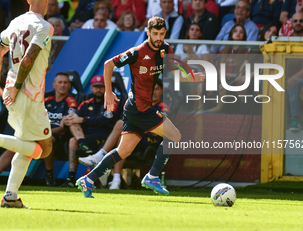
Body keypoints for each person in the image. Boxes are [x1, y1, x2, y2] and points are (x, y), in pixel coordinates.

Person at [74, 16, 205, 198]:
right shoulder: (137, 52)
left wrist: (191, 77)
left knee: (123, 151)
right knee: (175, 136)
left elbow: (174, 73)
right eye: (155, 34)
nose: (159, 37)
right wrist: (108, 92)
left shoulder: (166, 49)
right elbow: (108, 64)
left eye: (162, 33)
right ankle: (152, 176)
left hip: (134, 109)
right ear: (148, 33)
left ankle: (88, 179)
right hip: (140, 108)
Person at [0, 0, 53, 208]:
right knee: (44, 149)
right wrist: (19, 85)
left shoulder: (15, 22)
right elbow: (29, 58)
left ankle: (10, 196)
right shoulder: (44, 26)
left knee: (25, 145)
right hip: (28, 94)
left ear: (27, 0)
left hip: (10, 91)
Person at [0, 72, 78, 186]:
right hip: (37, 131)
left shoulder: (71, 101)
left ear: (69, 86)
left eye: (65, 83)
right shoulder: (45, 99)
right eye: (60, 82)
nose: (63, 85)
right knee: (18, 142)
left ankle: (49, 176)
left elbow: (63, 129)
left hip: (57, 135)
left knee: (45, 140)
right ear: (54, 84)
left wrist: (40, 132)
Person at [60, 75, 121, 187]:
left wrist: (83, 119)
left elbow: (104, 121)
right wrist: (67, 118)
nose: (98, 90)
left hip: (105, 136)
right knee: (73, 138)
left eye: (101, 87)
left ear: (107, 88)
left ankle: (86, 146)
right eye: (96, 87)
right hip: (87, 136)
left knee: (77, 121)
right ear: (91, 88)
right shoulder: (86, 103)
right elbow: (76, 117)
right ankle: (70, 178)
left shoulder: (111, 101)